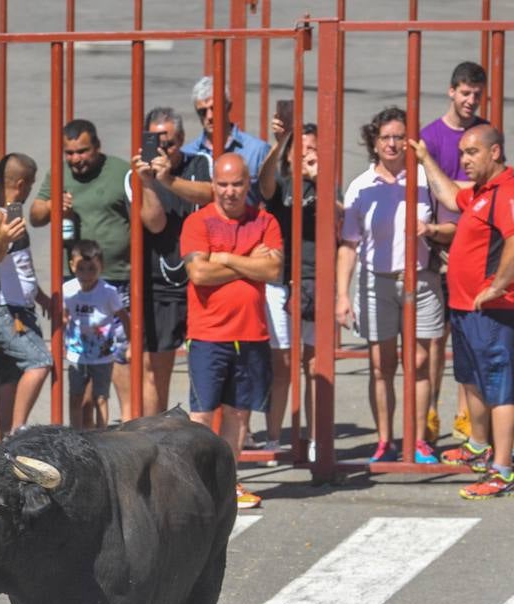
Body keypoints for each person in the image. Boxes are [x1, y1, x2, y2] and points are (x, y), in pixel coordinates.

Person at [416, 125, 514, 500]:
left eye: (472, 153)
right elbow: (449, 196)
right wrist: (424, 158)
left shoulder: (508, 193)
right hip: (466, 308)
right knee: (473, 380)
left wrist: (498, 286)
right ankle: (480, 449)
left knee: (499, 388)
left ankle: (502, 472)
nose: (465, 160)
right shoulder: (482, 193)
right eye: (463, 153)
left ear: (495, 152)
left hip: (493, 312)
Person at [335, 107, 445, 465]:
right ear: (375, 141)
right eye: (386, 137)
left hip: (420, 280)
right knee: (380, 364)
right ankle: (385, 441)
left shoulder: (423, 180)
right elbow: (349, 245)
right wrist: (342, 295)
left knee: (420, 361)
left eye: (399, 136)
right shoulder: (361, 187)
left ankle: (417, 440)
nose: (393, 143)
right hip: (376, 282)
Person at [181, 153, 283, 510]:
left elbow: (272, 272)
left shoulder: (265, 221)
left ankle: (227, 483)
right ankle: (196, 487)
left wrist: (223, 258)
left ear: (248, 183)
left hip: (251, 334)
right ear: (213, 185)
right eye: (222, 184)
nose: (229, 191)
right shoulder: (199, 222)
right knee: (202, 415)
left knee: (239, 414)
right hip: (209, 333)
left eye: (237, 183)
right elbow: (199, 274)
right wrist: (248, 262)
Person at [30, 120, 134, 419]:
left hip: (116, 277)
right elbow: (36, 215)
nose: (76, 159)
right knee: (82, 360)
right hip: (75, 280)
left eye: (82, 151)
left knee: (119, 356)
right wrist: (53, 207)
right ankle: (86, 431)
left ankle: (127, 423)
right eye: (70, 153)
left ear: (97, 147)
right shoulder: (58, 174)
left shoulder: (120, 171)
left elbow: (139, 215)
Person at [419, 61, 488, 448]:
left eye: (476, 94)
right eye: (464, 92)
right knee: (433, 340)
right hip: (437, 249)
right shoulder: (430, 135)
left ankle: (466, 416)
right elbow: (432, 188)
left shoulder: (484, 131)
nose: (470, 100)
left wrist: (452, 186)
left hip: (475, 248)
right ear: (451, 91)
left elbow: (486, 184)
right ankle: (428, 414)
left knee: (468, 338)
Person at [127, 107, 213, 414]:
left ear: (183, 139)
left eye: (171, 143)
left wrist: (170, 179)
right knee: (155, 370)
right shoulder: (134, 178)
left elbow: (211, 195)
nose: (164, 150)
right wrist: (150, 182)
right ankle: (157, 439)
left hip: (199, 282)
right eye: (157, 142)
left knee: (205, 368)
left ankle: (202, 436)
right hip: (158, 285)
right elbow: (155, 223)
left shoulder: (200, 162)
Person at [257, 115, 323, 460]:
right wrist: (279, 144)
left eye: (314, 148)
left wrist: (320, 181)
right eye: (303, 149)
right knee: (281, 364)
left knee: (314, 364)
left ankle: (314, 439)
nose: (309, 154)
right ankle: (272, 437)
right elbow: (263, 184)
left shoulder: (326, 183)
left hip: (314, 281)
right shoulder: (282, 182)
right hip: (280, 283)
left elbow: (340, 218)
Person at [0, 152, 52, 437]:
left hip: (21, 306)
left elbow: (21, 266)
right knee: (39, 363)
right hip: (4, 310)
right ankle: (16, 431)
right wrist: (4, 237)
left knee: (8, 376)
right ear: (21, 184)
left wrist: (42, 296)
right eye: (31, 184)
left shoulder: (12, 212)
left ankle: (4, 443)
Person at [62, 240, 130, 429]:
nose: (86, 275)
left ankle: (101, 435)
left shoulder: (108, 292)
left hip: (102, 356)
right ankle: (75, 433)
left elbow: (124, 317)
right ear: (72, 266)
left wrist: (130, 343)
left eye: (92, 269)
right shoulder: (68, 290)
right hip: (77, 353)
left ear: (101, 267)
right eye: (81, 269)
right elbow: (63, 317)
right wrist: (59, 342)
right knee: (75, 396)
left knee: (101, 397)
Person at [180, 75, 269, 182]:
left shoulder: (257, 151)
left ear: (228, 107)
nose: (209, 116)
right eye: (202, 112)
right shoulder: (188, 154)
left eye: (215, 108)